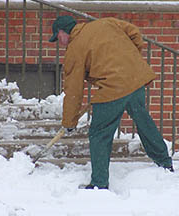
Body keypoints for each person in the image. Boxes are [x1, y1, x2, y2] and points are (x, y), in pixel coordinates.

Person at [49, 15, 174, 190]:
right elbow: (134, 33)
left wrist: (69, 122)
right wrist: (131, 59)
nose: (59, 42)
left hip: (113, 88)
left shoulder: (75, 49)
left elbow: (73, 91)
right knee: (143, 120)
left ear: (63, 32)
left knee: (99, 133)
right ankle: (165, 164)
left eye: (58, 38)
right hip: (135, 79)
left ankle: (99, 183)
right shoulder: (105, 22)